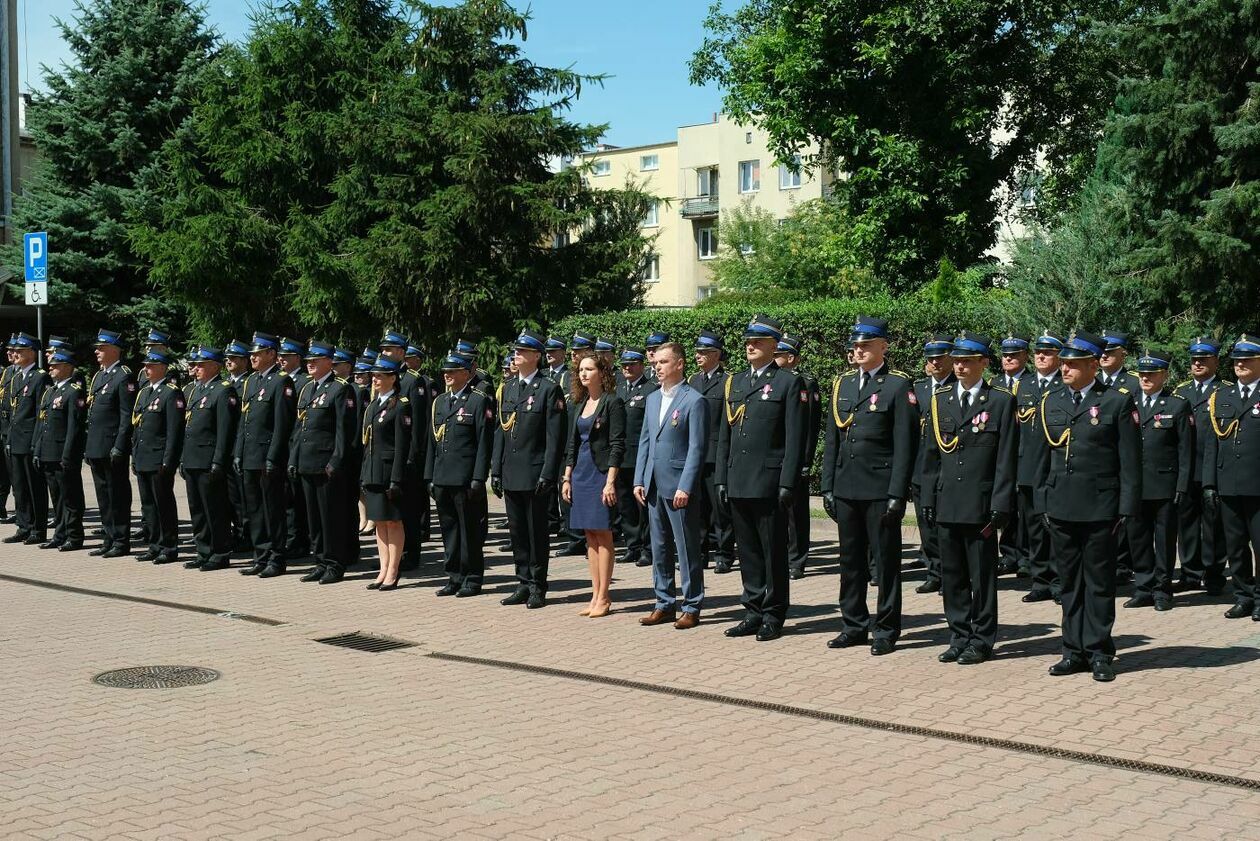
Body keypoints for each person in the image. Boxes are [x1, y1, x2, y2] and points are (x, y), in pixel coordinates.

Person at [1038, 330, 1140, 683]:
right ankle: (1072, 650)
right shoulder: (1051, 401)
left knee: (1098, 582)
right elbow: (1042, 459)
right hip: (1061, 505)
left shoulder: (1116, 401)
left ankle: (1099, 651)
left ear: (1093, 365)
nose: (1064, 368)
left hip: (1101, 507)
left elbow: (1130, 461)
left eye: (1073, 363)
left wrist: (1126, 508)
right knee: (1069, 583)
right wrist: (1042, 502)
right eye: (1063, 363)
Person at [920, 333, 1017, 665]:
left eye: (966, 361)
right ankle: (958, 634)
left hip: (981, 504)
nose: (959, 366)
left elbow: (1006, 458)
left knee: (982, 577)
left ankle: (982, 638)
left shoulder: (1000, 401)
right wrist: (927, 496)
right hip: (948, 500)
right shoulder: (941, 398)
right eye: (956, 361)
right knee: (953, 575)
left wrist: (1002, 503)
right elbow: (931, 455)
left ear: (983, 364)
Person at [821, 316, 915, 655]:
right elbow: (833, 438)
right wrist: (827, 485)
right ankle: (854, 625)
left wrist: (897, 493)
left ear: (883, 347)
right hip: (847, 486)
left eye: (866, 345)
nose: (858, 350)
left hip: (879, 488)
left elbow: (905, 444)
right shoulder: (842, 384)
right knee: (850, 562)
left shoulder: (897, 385)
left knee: (886, 563)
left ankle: (886, 629)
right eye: (856, 345)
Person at [716, 314, 808, 642]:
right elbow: (726, 434)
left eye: (758, 341)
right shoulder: (736, 382)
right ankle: (752, 610)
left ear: (774, 345)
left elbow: (794, 438)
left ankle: (774, 612)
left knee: (773, 551)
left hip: (768, 482)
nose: (751, 346)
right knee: (749, 551)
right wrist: (721, 477)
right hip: (739, 479)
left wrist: (788, 482)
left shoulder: (787, 382)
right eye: (748, 341)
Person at [634, 342, 707, 628]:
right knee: (659, 546)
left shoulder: (693, 400)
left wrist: (686, 486)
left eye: (664, 362)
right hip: (653, 483)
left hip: (678, 486)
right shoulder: (652, 399)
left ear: (679, 364)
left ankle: (691, 605)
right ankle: (664, 602)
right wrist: (639, 477)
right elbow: (645, 441)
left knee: (686, 548)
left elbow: (697, 448)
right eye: (656, 362)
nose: (657, 367)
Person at [492, 330, 565, 609]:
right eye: (516, 351)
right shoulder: (508, 387)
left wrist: (548, 473)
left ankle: (537, 585)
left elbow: (554, 437)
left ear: (536, 357)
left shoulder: (548, 389)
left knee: (536, 533)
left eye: (523, 352)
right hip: (511, 472)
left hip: (535, 473)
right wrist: (496, 470)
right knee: (517, 532)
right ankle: (522, 581)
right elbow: (501, 431)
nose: (516, 355)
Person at [1125, 350, 1192, 611]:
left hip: (1165, 485)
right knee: (1138, 538)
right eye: (1142, 373)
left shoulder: (1176, 405)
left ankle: (1162, 590)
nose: (1145, 378)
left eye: (1151, 374)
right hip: (1134, 485)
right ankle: (1143, 587)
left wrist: (1182, 485)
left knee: (1164, 540)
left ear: (1164, 375)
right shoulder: (1127, 403)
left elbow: (1185, 451)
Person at [426, 353, 495, 598]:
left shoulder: (478, 400)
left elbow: (483, 443)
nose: (447, 374)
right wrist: (429, 477)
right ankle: (454, 576)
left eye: (453, 371)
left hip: (465, 479)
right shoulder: (440, 402)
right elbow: (432, 444)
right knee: (449, 531)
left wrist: (478, 478)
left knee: (470, 532)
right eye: (446, 370)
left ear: (467, 374)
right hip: (442, 476)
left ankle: (472, 578)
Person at [563, 353, 626, 617]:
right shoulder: (579, 404)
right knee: (589, 536)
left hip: (600, 475)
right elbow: (572, 444)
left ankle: (604, 597)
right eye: (580, 370)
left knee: (604, 535)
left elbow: (617, 444)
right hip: (580, 474)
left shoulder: (613, 402)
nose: (583, 374)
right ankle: (594, 594)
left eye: (589, 369)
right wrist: (567, 477)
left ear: (602, 372)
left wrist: (610, 481)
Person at [1203, 333, 1260, 621]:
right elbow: (1212, 443)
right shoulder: (1222, 395)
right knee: (1235, 546)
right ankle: (1243, 595)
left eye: (1247, 359)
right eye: (1237, 360)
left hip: (1258, 485)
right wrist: (1210, 483)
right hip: (1229, 484)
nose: (1241, 364)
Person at [289, 340, 355, 585]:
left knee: (331, 518)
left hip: (326, 464)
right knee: (314, 518)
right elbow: (300, 428)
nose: (310, 365)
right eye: (308, 361)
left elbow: (343, 431)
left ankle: (335, 564)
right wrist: (294, 459)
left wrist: (335, 461)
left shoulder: (340, 389)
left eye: (315, 361)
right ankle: (320, 561)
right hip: (306, 461)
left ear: (329, 362)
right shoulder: (307, 389)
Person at [235, 332, 296, 578]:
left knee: (272, 510)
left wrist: (273, 457)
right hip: (250, 455)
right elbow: (245, 421)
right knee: (255, 510)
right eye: (252, 354)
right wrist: (238, 452)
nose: (253, 358)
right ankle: (260, 556)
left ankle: (276, 558)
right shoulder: (251, 382)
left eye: (258, 354)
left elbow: (282, 426)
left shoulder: (281, 382)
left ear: (272, 354)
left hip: (268, 458)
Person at [1173, 338, 1229, 595]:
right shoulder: (1181, 392)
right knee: (1186, 524)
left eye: (1203, 359)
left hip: (1213, 469)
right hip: (1186, 469)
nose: (1197, 363)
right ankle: (1190, 573)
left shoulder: (1225, 391)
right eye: (1194, 359)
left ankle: (1214, 574)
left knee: (1214, 524)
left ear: (1215, 361)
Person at [1015, 331, 1065, 603]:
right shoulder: (1024, 386)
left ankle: (1059, 581)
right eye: (1037, 352)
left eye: (1047, 353)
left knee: (1054, 526)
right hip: (1027, 467)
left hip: (1054, 467)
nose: (1041, 356)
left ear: (1058, 357)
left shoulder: (1063, 385)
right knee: (1033, 527)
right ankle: (1041, 579)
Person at [181, 347, 240, 572]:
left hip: (209, 460)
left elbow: (225, 431)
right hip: (193, 459)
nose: (196, 369)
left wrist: (218, 461)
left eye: (201, 365)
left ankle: (220, 552)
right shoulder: (196, 391)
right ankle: (203, 550)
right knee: (197, 510)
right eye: (195, 365)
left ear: (215, 366)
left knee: (215, 509)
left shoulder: (223, 391)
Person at [378, 331, 430, 571]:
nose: (385, 353)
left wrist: (413, 457)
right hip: (386, 456)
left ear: (401, 353)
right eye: (384, 349)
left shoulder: (412, 380)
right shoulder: (381, 377)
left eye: (389, 350)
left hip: (407, 455)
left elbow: (418, 425)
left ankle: (410, 553)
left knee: (408, 509)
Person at [84, 329, 137, 558]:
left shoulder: (123, 376)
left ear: (114, 350)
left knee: (117, 494)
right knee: (103, 496)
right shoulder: (99, 376)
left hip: (112, 447)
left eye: (101, 348)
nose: (97, 351)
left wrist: (120, 446)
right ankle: (108, 537)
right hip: (96, 445)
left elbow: (127, 416)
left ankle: (121, 540)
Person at [910, 334, 956, 594]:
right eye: (931, 359)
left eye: (940, 357)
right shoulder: (918, 388)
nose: (935, 362)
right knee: (926, 524)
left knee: (946, 524)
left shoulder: (957, 387)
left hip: (948, 466)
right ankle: (934, 570)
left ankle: (951, 574)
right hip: (921, 467)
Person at [774, 333, 821, 580]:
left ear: (791, 358)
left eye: (778, 355)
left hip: (796, 459)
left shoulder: (805, 383)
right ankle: (783, 555)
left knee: (797, 514)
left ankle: (797, 560)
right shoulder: (773, 382)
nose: (774, 359)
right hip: (775, 458)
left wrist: (804, 461)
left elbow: (808, 428)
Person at [132, 350, 186, 564]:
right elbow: (138, 427)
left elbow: (174, 431)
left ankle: (169, 547)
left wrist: (168, 460)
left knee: (162, 504)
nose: (146, 369)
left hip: (159, 459)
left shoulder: (171, 392)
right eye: (145, 365)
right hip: (144, 457)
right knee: (148, 506)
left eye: (151, 365)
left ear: (163, 367)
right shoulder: (144, 392)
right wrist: (134, 455)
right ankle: (154, 545)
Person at [361, 356, 410, 590]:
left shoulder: (400, 404)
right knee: (379, 522)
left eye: (380, 376)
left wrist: (397, 478)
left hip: (389, 472)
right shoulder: (372, 405)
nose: (375, 380)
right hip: (372, 471)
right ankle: (382, 569)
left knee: (393, 522)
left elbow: (402, 446)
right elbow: (367, 443)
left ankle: (393, 570)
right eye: (374, 376)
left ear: (393, 378)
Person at [689, 330, 734, 574]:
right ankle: (700, 553)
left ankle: (724, 554)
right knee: (698, 509)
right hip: (696, 453)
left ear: (716, 354)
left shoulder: (728, 381)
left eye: (703, 352)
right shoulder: (693, 381)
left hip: (717, 453)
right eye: (697, 352)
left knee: (720, 509)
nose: (698, 356)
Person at [33, 349, 87, 551]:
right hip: (48, 452)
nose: (51, 368)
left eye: (55, 365)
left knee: (70, 498)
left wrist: (68, 455)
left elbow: (74, 428)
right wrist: (38, 450)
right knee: (57, 497)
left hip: (63, 454)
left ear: (67, 367)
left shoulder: (74, 391)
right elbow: (43, 424)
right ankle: (60, 533)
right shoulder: (51, 391)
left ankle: (74, 536)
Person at [3, 333, 50, 546]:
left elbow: (41, 412)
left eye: (21, 351)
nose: (17, 354)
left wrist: (36, 442)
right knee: (19, 486)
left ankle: (37, 529)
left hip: (30, 439)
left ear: (32, 353)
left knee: (34, 487)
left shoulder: (40, 377)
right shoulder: (15, 377)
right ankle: (23, 525)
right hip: (15, 440)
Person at [1098, 330, 1138, 584]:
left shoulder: (1134, 383)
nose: (1104, 356)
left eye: (1110, 352)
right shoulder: (1091, 380)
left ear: (1123, 354)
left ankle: (1124, 566)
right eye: (1102, 352)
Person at [553, 332, 594, 558]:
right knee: (566, 492)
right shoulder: (568, 378)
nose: (573, 355)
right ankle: (574, 536)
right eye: (573, 351)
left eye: (579, 351)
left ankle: (588, 538)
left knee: (585, 493)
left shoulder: (597, 377)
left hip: (586, 444)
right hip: (567, 441)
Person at [615, 347, 658, 566]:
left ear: (641, 365)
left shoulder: (651, 389)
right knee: (625, 505)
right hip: (621, 457)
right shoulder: (618, 389)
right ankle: (632, 545)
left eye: (632, 364)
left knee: (643, 505)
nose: (627, 368)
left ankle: (648, 548)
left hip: (642, 456)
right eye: (624, 365)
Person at [996, 333, 1032, 577]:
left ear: (1024, 357)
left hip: (1026, 454)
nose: (1008, 359)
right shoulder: (995, 384)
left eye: (1014, 355)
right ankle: (1008, 554)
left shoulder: (1032, 382)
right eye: (1005, 355)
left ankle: (1027, 557)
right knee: (1005, 507)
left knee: (1026, 510)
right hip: (1002, 455)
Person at [278, 337, 312, 562]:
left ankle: (300, 541)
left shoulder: (304, 382)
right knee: (287, 499)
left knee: (298, 499)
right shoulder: (278, 380)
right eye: (280, 356)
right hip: (282, 447)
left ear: (297, 359)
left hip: (296, 446)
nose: (281, 360)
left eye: (286, 356)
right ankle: (292, 539)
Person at [223, 339, 252, 552]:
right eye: (227, 358)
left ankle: (246, 535)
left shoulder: (249, 384)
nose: (229, 362)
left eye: (234, 358)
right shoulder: (226, 384)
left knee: (243, 497)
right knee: (230, 497)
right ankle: (236, 531)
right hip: (225, 448)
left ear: (244, 361)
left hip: (239, 446)